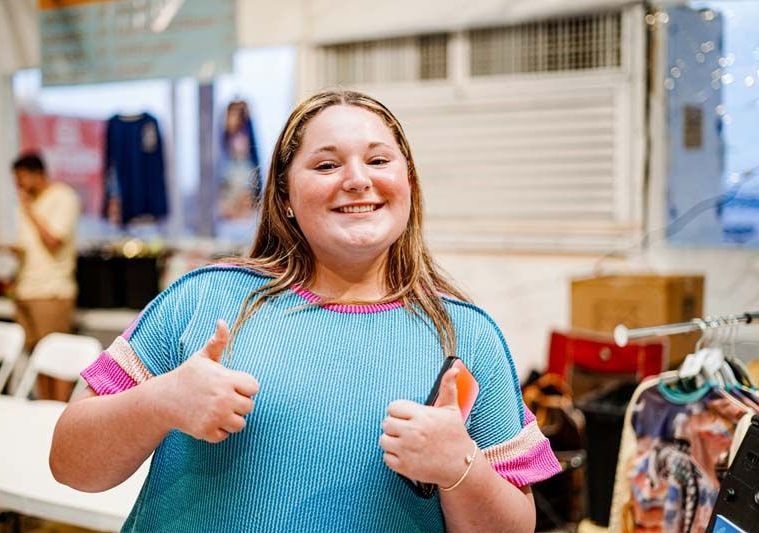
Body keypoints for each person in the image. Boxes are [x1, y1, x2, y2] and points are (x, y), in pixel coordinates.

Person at [50, 90, 560, 532]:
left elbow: (515, 526)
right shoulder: (202, 298)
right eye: (326, 164)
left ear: (408, 185)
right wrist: (161, 400)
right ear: (286, 196)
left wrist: (459, 466)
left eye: (379, 160)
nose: (358, 180)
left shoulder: (466, 337)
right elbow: (70, 464)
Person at [9, 153, 80, 400]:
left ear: (37, 174)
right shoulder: (28, 203)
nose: (18, 185)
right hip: (26, 290)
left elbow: (53, 241)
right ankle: (44, 411)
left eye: (20, 178)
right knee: (38, 357)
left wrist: (29, 211)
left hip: (51, 292)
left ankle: (59, 415)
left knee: (58, 359)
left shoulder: (63, 197)